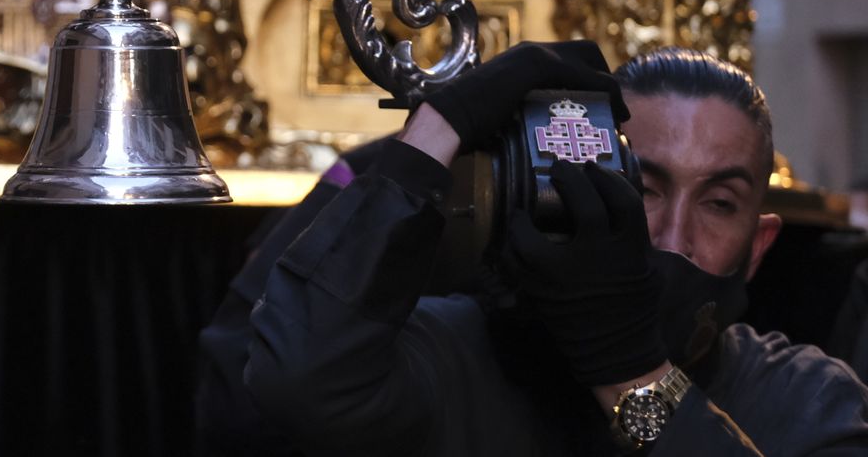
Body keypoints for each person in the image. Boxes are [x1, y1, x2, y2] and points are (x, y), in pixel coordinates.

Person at [230, 43, 868, 455]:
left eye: (719, 204)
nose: (676, 236)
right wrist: (435, 131)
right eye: (643, 189)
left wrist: (626, 369)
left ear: (758, 248)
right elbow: (295, 379)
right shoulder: (460, 353)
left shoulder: (806, 397)